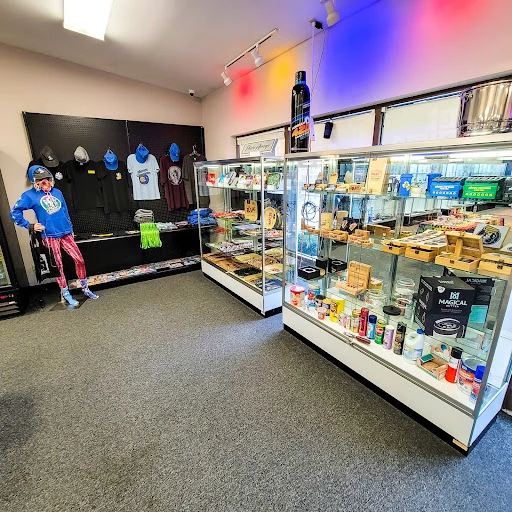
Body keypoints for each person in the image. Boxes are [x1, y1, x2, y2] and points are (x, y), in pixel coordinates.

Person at [10, 165, 99, 306]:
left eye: (47, 178)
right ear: (34, 181)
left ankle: (85, 287)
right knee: (58, 266)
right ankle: (66, 293)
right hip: (49, 235)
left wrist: (70, 228)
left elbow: (65, 210)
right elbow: (15, 211)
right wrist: (30, 225)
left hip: (65, 232)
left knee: (79, 260)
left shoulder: (57, 192)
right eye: (40, 179)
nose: (44, 182)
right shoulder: (29, 195)